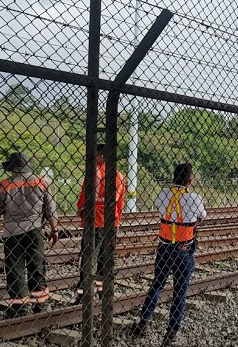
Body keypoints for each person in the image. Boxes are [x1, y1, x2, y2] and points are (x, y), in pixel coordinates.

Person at [129, 163, 206, 347]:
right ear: (190, 180)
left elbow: (163, 211)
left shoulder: (163, 194)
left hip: (164, 248)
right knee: (179, 292)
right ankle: (171, 334)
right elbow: (202, 216)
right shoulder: (194, 198)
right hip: (184, 250)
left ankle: (144, 322)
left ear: (174, 178)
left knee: (157, 283)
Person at [0, 152, 59, 318]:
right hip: (35, 230)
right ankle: (40, 304)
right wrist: (54, 229)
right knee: (37, 265)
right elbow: (51, 210)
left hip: (12, 232)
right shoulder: (41, 182)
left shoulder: (4, 185)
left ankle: (20, 306)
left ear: (12, 168)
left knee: (15, 268)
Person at [75, 143, 126, 300]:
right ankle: (103, 291)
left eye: (95, 155)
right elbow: (120, 203)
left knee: (89, 257)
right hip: (111, 221)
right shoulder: (119, 175)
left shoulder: (93, 173)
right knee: (105, 258)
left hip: (93, 220)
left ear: (101, 156)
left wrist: (81, 212)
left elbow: (83, 199)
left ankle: (84, 293)